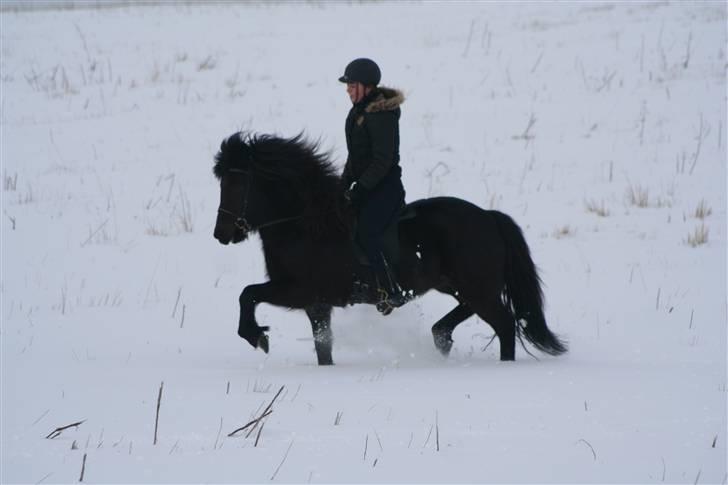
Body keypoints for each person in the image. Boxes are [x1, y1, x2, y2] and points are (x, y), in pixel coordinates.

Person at [338, 57, 408, 314]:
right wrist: (341, 185)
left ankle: (390, 290)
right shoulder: (358, 111)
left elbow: (382, 160)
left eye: (352, 85)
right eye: (347, 86)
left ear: (367, 87)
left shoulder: (381, 114)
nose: (348, 90)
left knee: (366, 232)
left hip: (385, 189)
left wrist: (361, 188)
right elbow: (355, 158)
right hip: (367, 187)